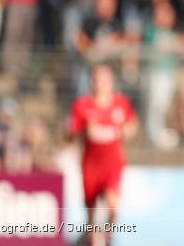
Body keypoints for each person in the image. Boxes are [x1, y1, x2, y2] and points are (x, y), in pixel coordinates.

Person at [68, 65, 137, 246]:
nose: (100, 84)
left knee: (112, 203)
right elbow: (69, 134)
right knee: (91, 212)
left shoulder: (121, 103)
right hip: (91, 164)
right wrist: (84, 132)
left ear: (111, 82)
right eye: (96, 80)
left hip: (113, 162)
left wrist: (127, 131)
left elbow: (132, 125)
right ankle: (90, 237)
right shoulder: (82, 105)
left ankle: (107, 237)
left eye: (103, 80)